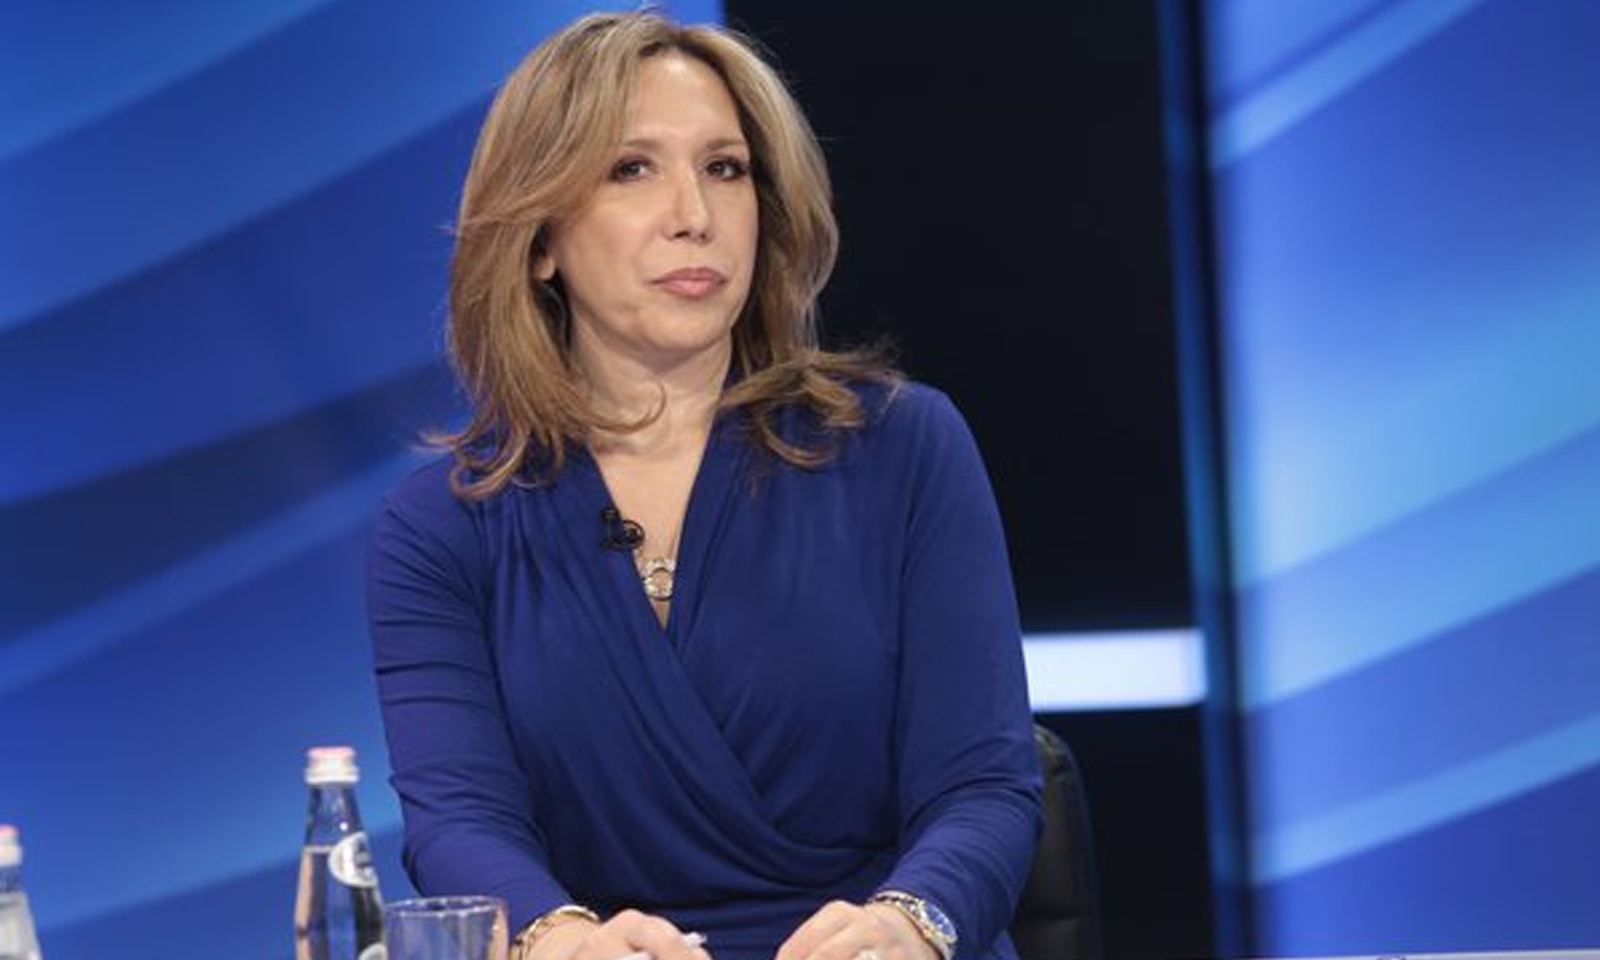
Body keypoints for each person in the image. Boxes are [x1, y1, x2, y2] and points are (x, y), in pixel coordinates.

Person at [366, 12, 1042, 960]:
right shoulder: (443, 527)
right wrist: (559, 940)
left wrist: (908, 924)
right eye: (631, 169)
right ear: (540, 236)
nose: (694, 213)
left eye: (725, 168)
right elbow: (458, 820)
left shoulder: (903, 447)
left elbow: (985, 786)